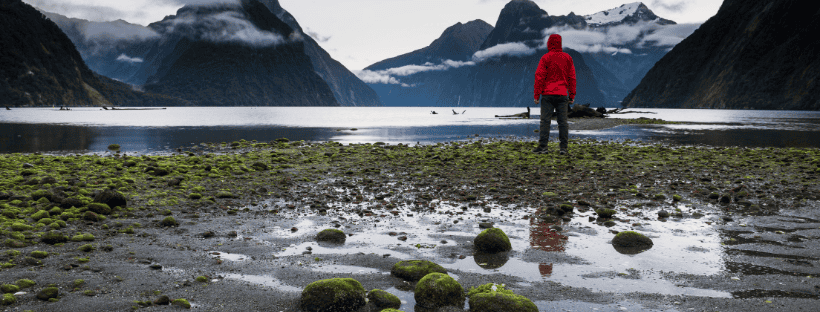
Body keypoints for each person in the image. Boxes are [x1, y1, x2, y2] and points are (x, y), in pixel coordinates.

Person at [533, 34, 576, 155]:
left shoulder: (545, 58)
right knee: (563, 122)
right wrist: (572, 95)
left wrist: (537, 95)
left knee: (545, 121)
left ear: (549, 43)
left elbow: (539, 77)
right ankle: (563, 148)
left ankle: (543, 147)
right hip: (562, 95)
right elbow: (572, 77)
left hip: (547, 95)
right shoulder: (567, 58)